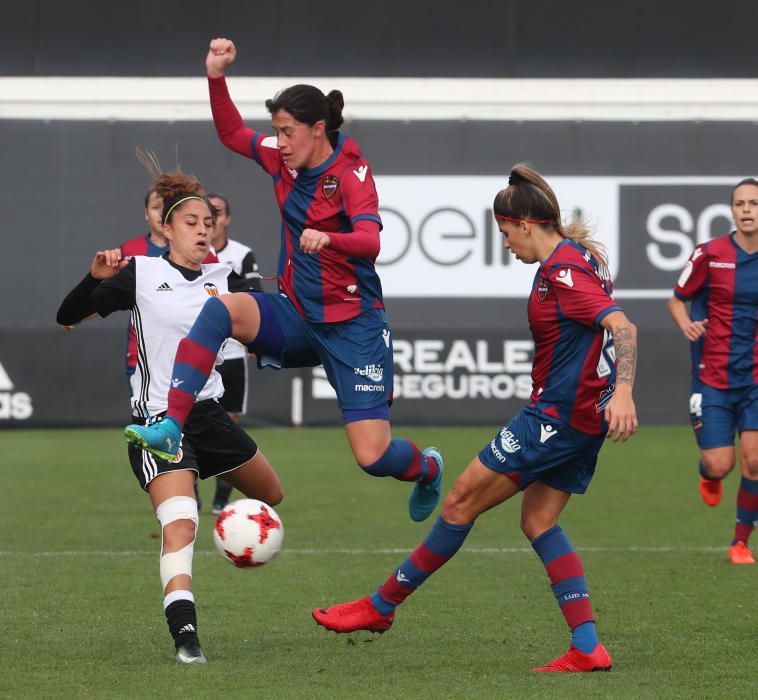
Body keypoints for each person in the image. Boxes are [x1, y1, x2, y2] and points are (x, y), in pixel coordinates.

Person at [312, 165, 639, 673]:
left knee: (461, 501)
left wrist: (624, 391)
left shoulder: (563, 271)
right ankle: (587, 645)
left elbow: (622, 325)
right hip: (581, 420)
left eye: (505, 232)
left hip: (556, 418)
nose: (506, 243)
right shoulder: (580, 258)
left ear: (526, 223)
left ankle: (380, 607)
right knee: (538, 521)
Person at [124, 37, 443, 524]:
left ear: (319, 130)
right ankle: (172, 424)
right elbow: (232, 134)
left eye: (288, 132)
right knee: (222, 308)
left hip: (352, 327)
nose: (280, 141)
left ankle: (427, 469)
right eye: (277, 131)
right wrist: (215, 76)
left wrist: (331, 239)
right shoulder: (281, 158)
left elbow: (371, 241)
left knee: (373, 458)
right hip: (296, 313)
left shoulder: (352, 174)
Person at [57, 166, 283, 665]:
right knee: (182, 523)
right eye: (192, 222)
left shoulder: (226, 278)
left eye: (210, 222)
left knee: (271, 495)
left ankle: (237, 532)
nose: (204, 229)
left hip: (212, 415)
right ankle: (187, 640)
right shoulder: (139, 273)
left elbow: (275, 327)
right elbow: (67, 315)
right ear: (166, 228)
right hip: (160, 424)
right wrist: (92, 279)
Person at [668, 178, 758, 565]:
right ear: (732, 210)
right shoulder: (709, 253)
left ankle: (740, 541)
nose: (747, 210)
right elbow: (677, 299)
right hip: (713, 379)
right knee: (722, 465)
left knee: (754, 461)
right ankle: (708, 470)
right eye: (740, 204)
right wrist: (686, 323)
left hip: (754, 379)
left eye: (754, 203)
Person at [120, 188, 219, 510]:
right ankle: (180, 478)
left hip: (203, 374)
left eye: (207, 222)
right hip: (148, 362)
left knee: (217, 419)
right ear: (155, 218)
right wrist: (83, 310)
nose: (201, 228)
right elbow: (105, 295)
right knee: (160, 410)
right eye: (154, 206)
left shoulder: (208, 259)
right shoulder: (134, 256)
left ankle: (204, 483)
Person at [207, 192, 263, 514]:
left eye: (217, 212)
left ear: (227, 218)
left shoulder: (241, 255)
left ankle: (221, 499)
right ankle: (190, 493)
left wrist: (256, 338)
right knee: (188, 423)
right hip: (197, 353)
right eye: (204, 212)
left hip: (230, 355)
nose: (211, 219)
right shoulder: (186, 255)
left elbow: (257, 297)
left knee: (226, 426)